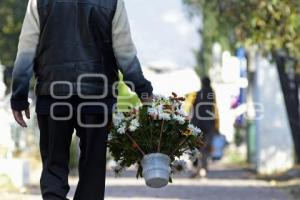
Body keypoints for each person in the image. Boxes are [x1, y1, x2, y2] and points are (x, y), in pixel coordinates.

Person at [10, 0, 153, 199]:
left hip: (53, 94)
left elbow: (26, 49)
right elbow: (124, 51)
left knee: (53, 167)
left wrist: (19, 96)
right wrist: (143, 89)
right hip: (97, 96)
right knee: (92, 170)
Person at [190, 76, 218, 178]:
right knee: (205, 147)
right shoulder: (211, 94)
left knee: (197, 146)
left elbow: (193, 108)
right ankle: (204, 169)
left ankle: (197, 168)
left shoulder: (198, 94)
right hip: (208, 124)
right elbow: (213, 109)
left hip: (198, 124)